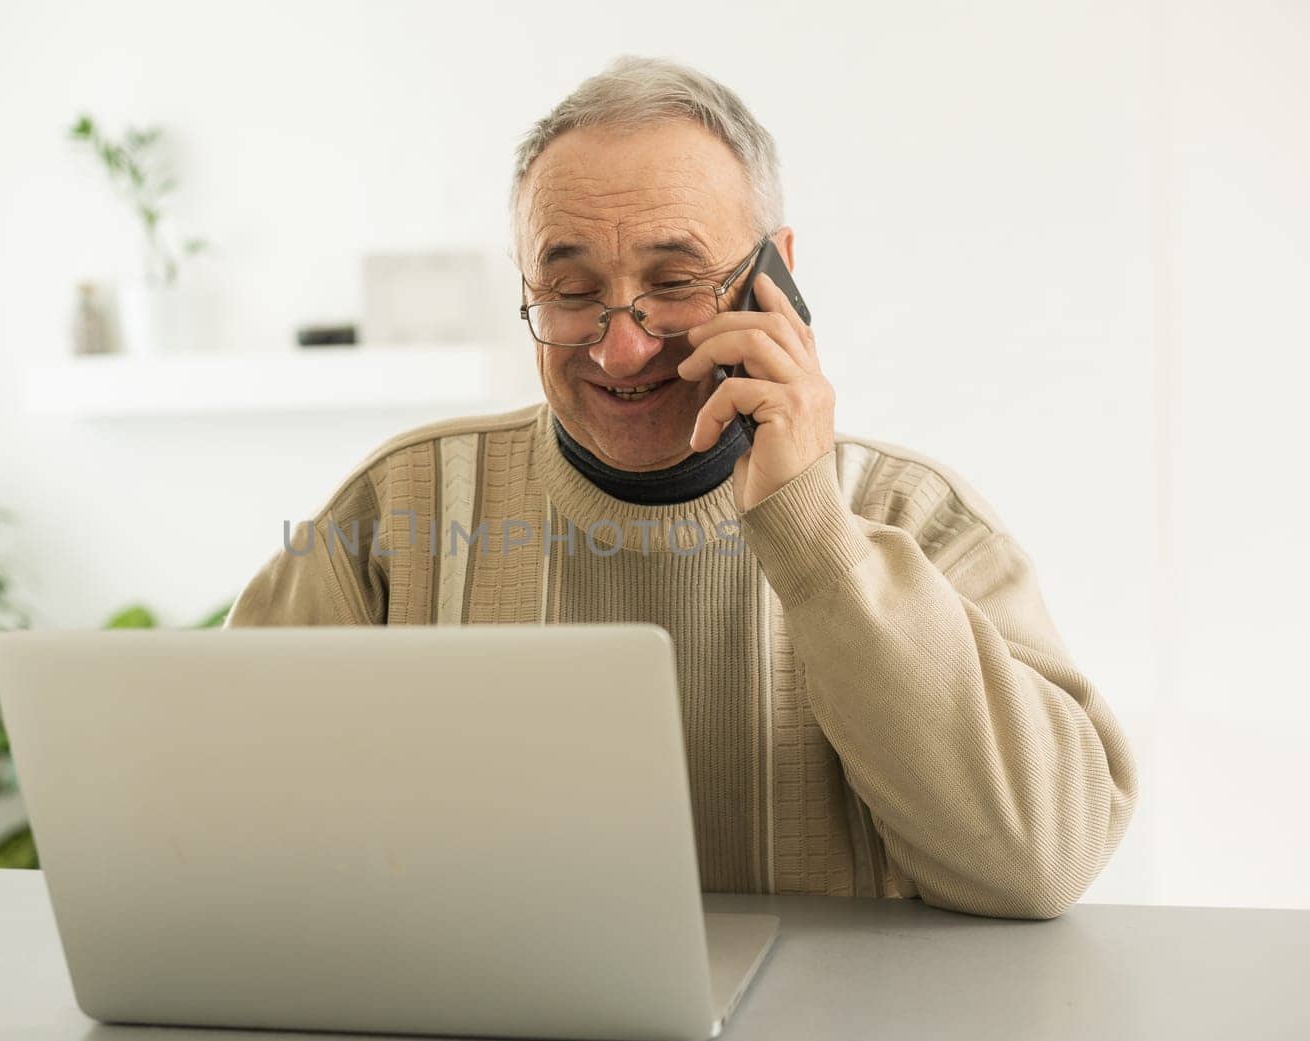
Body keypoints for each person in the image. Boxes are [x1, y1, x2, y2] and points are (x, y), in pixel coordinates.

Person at [224, 55, 1137, 920]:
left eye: (674, 280)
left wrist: (813, 531)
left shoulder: (917, 515)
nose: (620, 347)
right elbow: (214, 819)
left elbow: (1040, 863)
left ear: (774, 272)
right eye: (571, 289)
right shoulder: (400, 508)